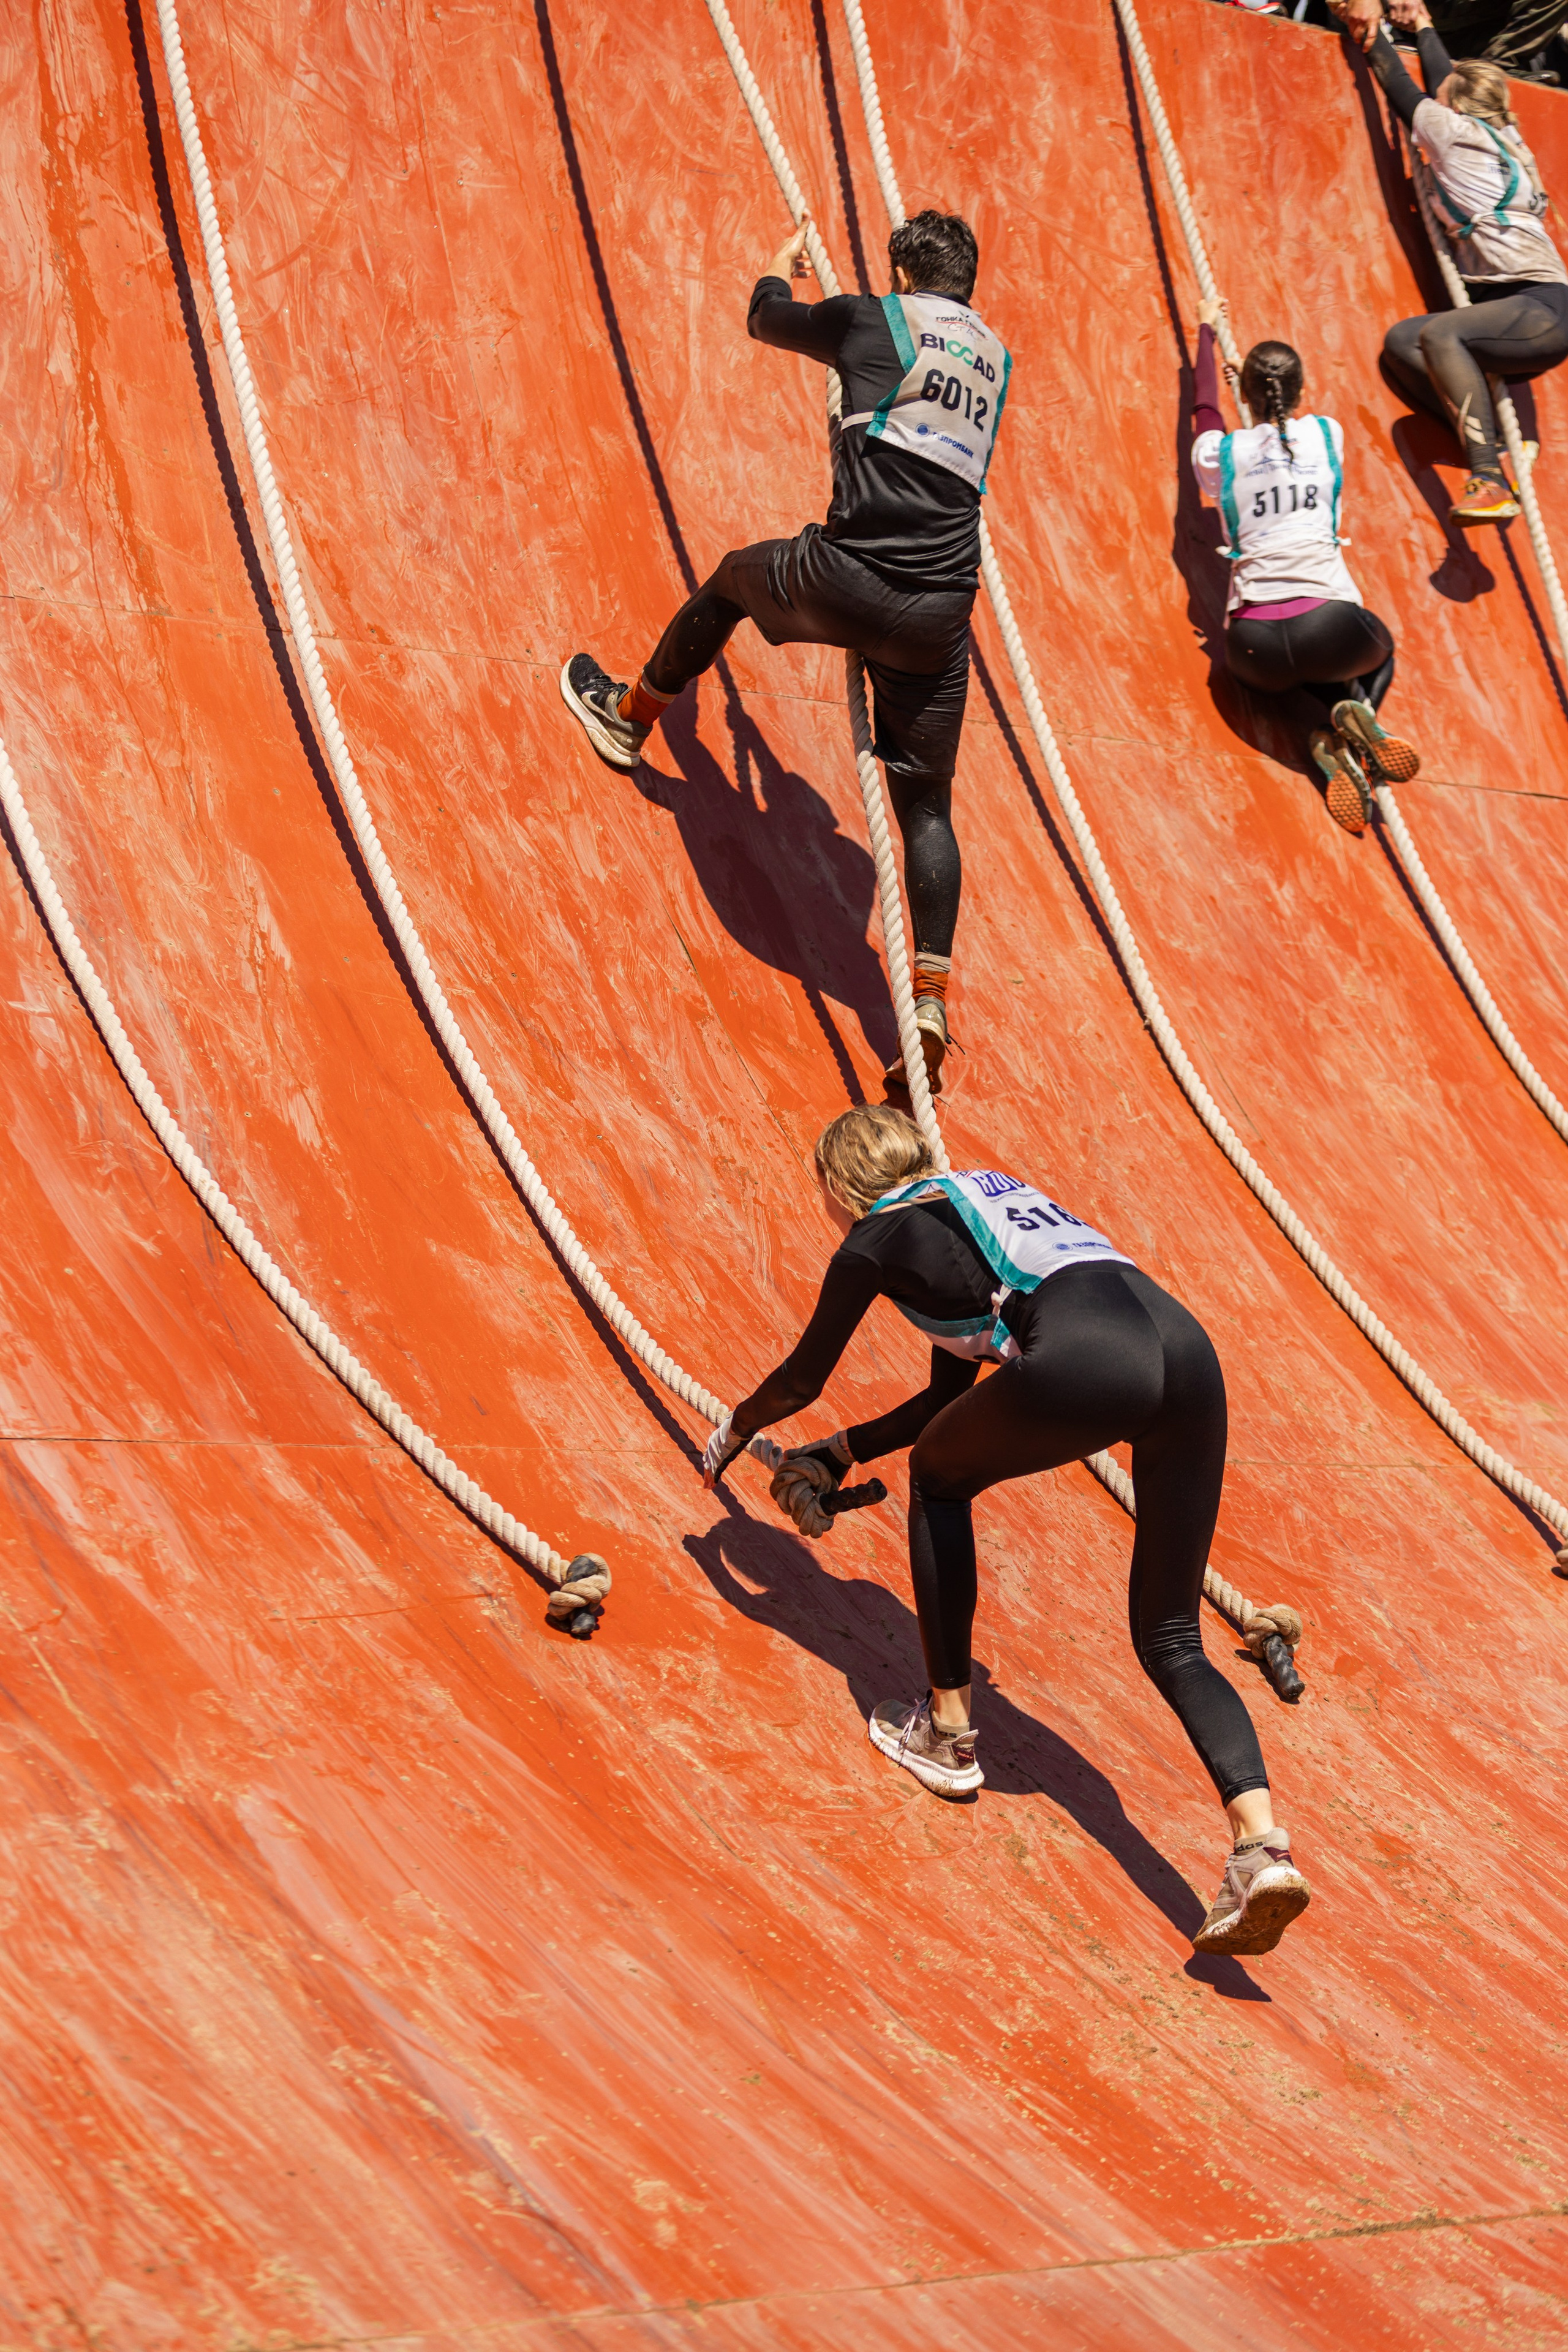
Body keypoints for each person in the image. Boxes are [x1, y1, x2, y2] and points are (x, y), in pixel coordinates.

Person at [701, 1104, 1311, 1959]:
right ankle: (1263, 1848)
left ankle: (948, 1733)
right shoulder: (976, 1203)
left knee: (937, 1484)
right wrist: (840, 1451)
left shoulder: (873, 1239)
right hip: (1185, 1353)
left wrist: (732, 1433)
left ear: (840, 1186)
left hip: (1090, 1358)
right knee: (1172, 1634)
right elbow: (949, 1404)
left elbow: (803, 1376)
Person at [561, 211, 1012, 1098]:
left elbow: (766, 317)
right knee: (925, 806)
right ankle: (926, 996)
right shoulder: (995, 362)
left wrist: (780, 270)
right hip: (938, 615)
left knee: (731, 581)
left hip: (848, 578)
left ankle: (628, 720)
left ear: (901, 270)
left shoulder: (870, 318)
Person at [1190, 303, 1422, 834]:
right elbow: (1278, 436)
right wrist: (1254, 390)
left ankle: (1329, 735)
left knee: (1281, 679)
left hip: (1254, 652)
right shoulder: (1327, 435)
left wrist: (1206, 333)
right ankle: (1344, 719)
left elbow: (1206, 411)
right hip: (1332, 628)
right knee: (1379, 649)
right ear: (1297, 391)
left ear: (1245, 394)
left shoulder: (1222, 452)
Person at [1346, 4, 1568, 524]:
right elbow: (1446, 80)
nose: (1437, 93)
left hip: (1540, 304)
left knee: (1443, 337)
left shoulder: (1454, 136)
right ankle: (1491, 432)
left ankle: (1488, 476)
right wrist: (1422, 24)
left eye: (1445, 95)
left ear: (1456, 109)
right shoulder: (1502, 136)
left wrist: (1369, 29)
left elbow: (1398, 83)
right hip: (1519, 312)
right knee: (1404, 343)